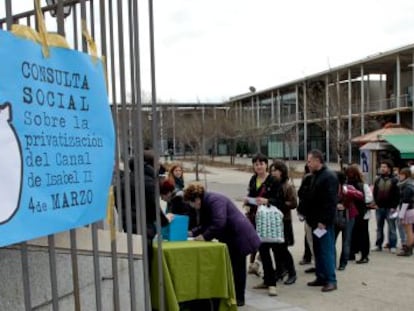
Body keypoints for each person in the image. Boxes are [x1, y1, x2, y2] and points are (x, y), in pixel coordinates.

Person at [183, 183, 261, 307]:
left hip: (240, 236)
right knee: (232, 267)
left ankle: (239, 298)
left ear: (197, 199)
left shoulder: (214, 200)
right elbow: (207, 224)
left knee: (238, 268)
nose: (193, 207)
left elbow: (219, 222)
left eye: (192, 203)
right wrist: (192, 232)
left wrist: (204, 237)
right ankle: (233, 295)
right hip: (232, 237)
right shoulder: (207, 202)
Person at [304, 149, 338, 292]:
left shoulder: (328, 177)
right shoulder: (315, 176)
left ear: (318, 161)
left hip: (323, 223)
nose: (308, 164)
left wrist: (323, 220)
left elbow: (330, 202)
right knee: (317, 251)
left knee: (326, 251)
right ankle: (321, 276)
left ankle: (331, 280)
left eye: (310, 161)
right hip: (314, 221)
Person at [244, 153, 278, 277]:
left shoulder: (273, 180)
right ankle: (254, 265)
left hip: (267, 218)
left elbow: (278, 200)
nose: (258, 167)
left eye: (261, 164)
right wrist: (247, 201)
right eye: (256, 164)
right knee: (253, 240)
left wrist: (266, 201)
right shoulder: (253, 179)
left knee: (265, 245)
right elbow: (251, 194)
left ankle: (268, 275)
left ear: (266, 165)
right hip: (254, 215)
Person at [268, 160, 297, 285]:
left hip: (284, 220)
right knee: (275, 248)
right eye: (272, 170)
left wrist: (279, 204)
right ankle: (279, 271)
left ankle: (292, 273)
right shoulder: (271, 184)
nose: (273, 173)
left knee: (283, 248)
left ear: (282, 171)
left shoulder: (288, 186)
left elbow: (294, 203)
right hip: (273, 220)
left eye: (276, 170)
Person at [335, 170, 363, 270]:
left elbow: (360, 195)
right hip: (335, 217)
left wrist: (348, 192)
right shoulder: (331, 188)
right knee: (332, 241)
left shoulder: (348, 187)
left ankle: (343, 263)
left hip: (349, 217)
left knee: (346, 241)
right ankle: (332, 263)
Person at [372, 160, 400, 253]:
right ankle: (378, 245)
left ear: (389, 168)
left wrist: (394, 206)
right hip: (379, 207)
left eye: (384, 167)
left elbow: (397, 195)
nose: (382, 169)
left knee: (392, 228)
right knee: (379, 228)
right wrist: (375, 203)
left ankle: (392, 245)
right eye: (381, 167)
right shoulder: (378, 179)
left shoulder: (395, 180)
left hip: (390, 208)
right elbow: (375, 192)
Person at [346, 164, 371, 264]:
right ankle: (354, 253)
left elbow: (368, 198)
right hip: (358, 213)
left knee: (360, 235)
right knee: (354, 234)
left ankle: (363, 254)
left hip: (360, 213)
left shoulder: (361, 185)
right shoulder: (361, 185)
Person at [396, 168, 414, 256]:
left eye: (402, 174)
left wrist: (401, 214)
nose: (399, 176)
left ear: (406, 175)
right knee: (409, 231)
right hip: (409, 210)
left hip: (407, 210)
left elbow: (405, 201)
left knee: (409, 231)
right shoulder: (408, 185)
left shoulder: (407, 186)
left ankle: (408, 249)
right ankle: (408, 247)